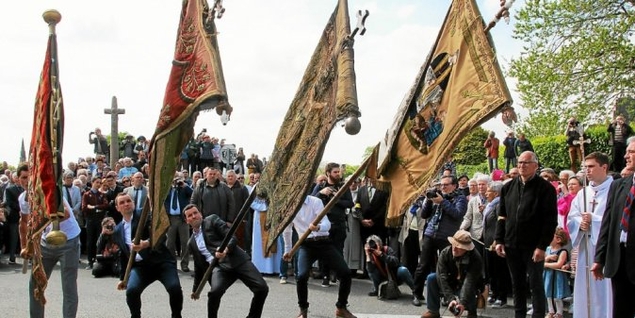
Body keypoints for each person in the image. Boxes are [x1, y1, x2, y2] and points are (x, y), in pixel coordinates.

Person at [495, 151, 558, 318]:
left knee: (536, 284)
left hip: (533, 246)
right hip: (511, 244)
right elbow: (502, 215)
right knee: (517, 284)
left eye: (526, 162)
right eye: (519, 162)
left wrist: (542, 246)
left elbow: (550, 220)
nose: (521, 165)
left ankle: (538, 315)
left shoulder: (546, 189)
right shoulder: (508, 187)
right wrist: (499, 239)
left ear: (535, 166)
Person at [184, 204, 268, 318]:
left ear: (200, 214)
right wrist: (196, 290)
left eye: (195, 213)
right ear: (186, 221)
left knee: (262, 288)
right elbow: (199, 267)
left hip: (236, 260)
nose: (194, 216)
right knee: (214, 293)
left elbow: (232, 236)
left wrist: (226, 249)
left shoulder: (212, 220)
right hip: (219, 269)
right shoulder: (191, 243)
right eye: (190, 215)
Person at [282, 195, 356, 318]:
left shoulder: (315, 201)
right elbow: (287, 230)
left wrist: (318, 227)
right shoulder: (289, 206)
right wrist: (288, 250)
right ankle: (303, 310)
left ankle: (341, 307)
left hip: (324, 242)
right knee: (301, 276)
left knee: (346, 273)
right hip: (306, 245)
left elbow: (327, 223)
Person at [19, 174, 81, 318]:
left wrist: (38, 218)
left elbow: (64, 214)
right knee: (36, 284)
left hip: (68, 240)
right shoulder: (23, 198)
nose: (25, 180)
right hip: (45, 243)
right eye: (22, 177)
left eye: (28, 177)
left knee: (68, 286)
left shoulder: (51, 191)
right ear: (18, 180)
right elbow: (23, 222)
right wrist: (24, 245)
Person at [113, 193, 183, 318]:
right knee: (132, 291)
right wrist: (122, 278)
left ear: (133, 203)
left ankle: (176, 315)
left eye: (128, 201)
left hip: (162, 262)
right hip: (140, 268)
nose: (126, 204)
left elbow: (161, 234)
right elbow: (123, 255)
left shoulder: (145, 215)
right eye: (122, 203)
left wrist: (146, 243)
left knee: (174, 288)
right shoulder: (118, 230)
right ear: (117, 208)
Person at [566, 151, 614, 318]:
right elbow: (572, 217)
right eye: (585, 167)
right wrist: (580, 223)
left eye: (591, 166)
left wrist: (593, 220)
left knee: (606, 289)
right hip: (586, 247)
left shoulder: (614, 189)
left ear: (604, 167)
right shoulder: (583, 193)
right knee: (585, 288)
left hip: (606, 248)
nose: (587, 170)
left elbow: (616, 219)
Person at [592, 136, 635, 317]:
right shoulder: (619, 185)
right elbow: (607, 224)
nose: (626, 156)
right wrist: (599, 258)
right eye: (626, 152)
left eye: (631, 152)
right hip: (620, 259)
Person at [412, 175, 468, 307]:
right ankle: (417, 293)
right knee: (423, 265)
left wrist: (442, 202)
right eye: (441, 185)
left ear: (454, 186)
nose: (442, 187)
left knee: (448, 268)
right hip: (430, 234)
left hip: (447, 236)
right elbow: (424, 215)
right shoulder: (436, 196)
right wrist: (428, 200)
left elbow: (458, 214)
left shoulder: (460, 198)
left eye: (446, 185)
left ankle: (446, 295)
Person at [420, 230, 483, 318]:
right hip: (451, 280)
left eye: (459, 246)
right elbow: (441, 276)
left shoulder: (475, 258)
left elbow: (470, 281)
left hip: (465, 284)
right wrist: (450, 299)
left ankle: (472, 312)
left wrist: (462, 303)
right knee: (432, 278)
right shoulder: (445, 253)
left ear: (466, 248)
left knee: (471, 287)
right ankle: (433, 311)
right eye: (454, 244)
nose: (455, 248)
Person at [311, 162, 353, 287]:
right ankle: (325, 276)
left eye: (338, 172)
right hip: (324, 224)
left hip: (339, 224)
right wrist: (321, 193)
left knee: (338, 250)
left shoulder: (343, 187)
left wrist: (337, 199)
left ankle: (338, 274)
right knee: (324, 251)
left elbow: (350, 203)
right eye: (335, 172)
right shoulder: (321, 186)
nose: (338, 174)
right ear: (328, 173)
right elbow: (311, 200)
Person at [481, 181, 510, 308]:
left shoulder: (500, 205)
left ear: (496, 193)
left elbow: (501, 223)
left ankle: (501, 296)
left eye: (489, 191)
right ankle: (494, 293)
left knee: (500, 271)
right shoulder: (490, 205)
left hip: (496, 243)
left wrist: (497, 240)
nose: (486, 193)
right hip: (487, 243)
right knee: (491, 270)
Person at [364, 235, 415, 299]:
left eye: (376, 244)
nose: (374, 247)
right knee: (371, 272)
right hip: (381, 278)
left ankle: (415, 291)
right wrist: (367, 255)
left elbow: (395, 262)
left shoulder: (387, 249)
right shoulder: (371, 254)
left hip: (394, 276)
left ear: (380, 244)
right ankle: (376, 289)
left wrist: (382, 255)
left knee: (403, 270)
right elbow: (370, 270)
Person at [164, 173, 194, 272]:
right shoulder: (167, 188)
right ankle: (172, 263)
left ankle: (184, 264)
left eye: (177, 178)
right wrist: (169, 185)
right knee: (170, 243)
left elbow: (192, 194)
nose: (175, 181)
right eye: (173, 178)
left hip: (182, 219)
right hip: (171, 218)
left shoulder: (184, 188)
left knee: (185, 242)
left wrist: (184, 185)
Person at [543, 227, 571, 318]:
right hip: (548, 276)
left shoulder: (562, 252)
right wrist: (547, 259)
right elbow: (541, 260)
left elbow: (559, 264)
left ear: (558, 239)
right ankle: (550, 311)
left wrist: (545, 264)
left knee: (557, 296)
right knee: (548, 294)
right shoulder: (547, 249)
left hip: (557, 277)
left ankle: (559, 313)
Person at [3, 164, 27, 265]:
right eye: (17, 177)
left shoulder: (25, 189)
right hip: (14, 217)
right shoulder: (9, 189)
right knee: (14, 237)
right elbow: (9, 202)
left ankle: (29, 256)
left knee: (27, 236)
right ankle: (12, 257)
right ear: (14, 178)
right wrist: (20, 209)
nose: (18, 179)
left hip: (26, 217)